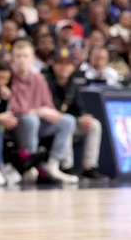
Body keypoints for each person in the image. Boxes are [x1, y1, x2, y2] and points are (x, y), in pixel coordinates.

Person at [9, 39, 79, 184]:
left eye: (25, 56)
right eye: (18, 56)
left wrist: (52, 113)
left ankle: (54, 164)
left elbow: (47, 105)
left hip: (39, 124)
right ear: (13, 59)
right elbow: (14, 110)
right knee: (30, 119)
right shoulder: (9, 79)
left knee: (68, 121)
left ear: (32, 58)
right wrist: (37, 111)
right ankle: (30, 164)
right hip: (17, 125)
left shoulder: (39, 79)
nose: (22, 60)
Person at [44, 48, 108, 179]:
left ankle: (89, 167)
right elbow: (51, 109)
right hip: (51, 125)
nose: (64, 67)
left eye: (68, 64)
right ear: (54, 65)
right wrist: (77, 119)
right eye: (60, 63)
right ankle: (67, 166)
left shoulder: (73, 82)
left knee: (94, 125)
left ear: (73, 66)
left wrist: (83, 116)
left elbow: (79, 108)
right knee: (68, 122)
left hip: (70, 122)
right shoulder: (46, 81)